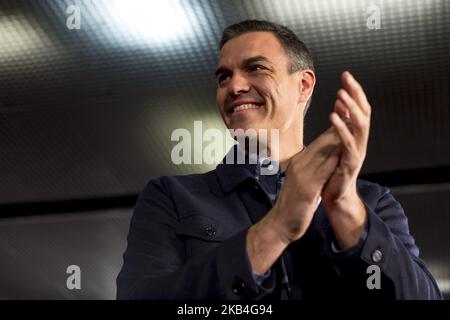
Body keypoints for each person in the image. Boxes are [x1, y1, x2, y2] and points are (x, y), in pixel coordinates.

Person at [116, 20, 442, 299]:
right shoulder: (171, 197)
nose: (234, 87)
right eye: (223, 77)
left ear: (303, 85)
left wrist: (344, 205)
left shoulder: (372, 201)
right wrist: (277, 227)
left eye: (255, 68)